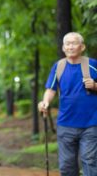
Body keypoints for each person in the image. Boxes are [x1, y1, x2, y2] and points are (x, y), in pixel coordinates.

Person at [38, 32, 97, 176]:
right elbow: (50, 89)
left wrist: (95, 86)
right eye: (67, 43)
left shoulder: (92, 65)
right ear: (63, 48)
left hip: (90, 124)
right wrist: (45, 102)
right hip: (65, 124)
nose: (70, 46)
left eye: (74, 43)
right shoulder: (59, 66)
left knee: (90, 161)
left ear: (82, 46)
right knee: (66, 165)